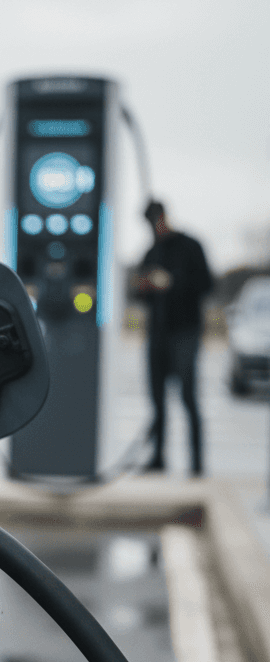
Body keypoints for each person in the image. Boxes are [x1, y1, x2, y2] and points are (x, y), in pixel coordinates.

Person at [135, 200, 213, 476]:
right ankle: (158, 458)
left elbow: (206, 283)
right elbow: (138, 295)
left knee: (188, 396)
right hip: (157, 333)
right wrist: (144, 286)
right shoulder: (150, 253)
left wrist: (171, 281)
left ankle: (197, 464)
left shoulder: (190, 246)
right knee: (157, 398)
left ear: (164, 216)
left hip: (185, 332)